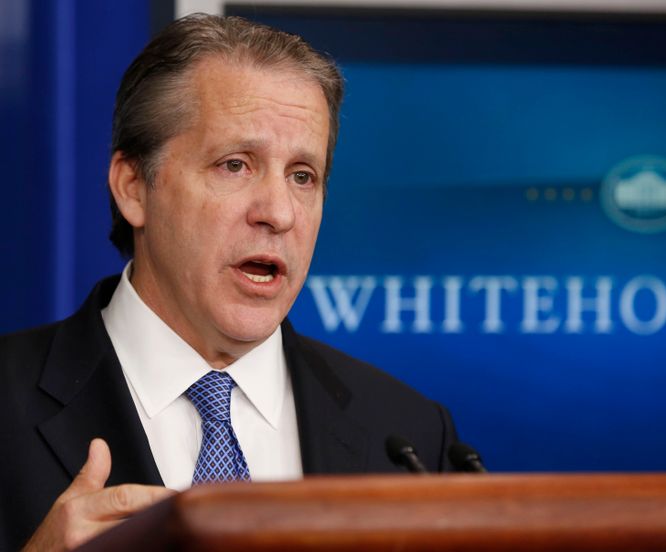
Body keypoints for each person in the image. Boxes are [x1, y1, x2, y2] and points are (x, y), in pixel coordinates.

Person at [1, 14, 456, 551]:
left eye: (302, 175)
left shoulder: (409, 438)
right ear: (133, 188)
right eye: (235, 165)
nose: (279, 212)